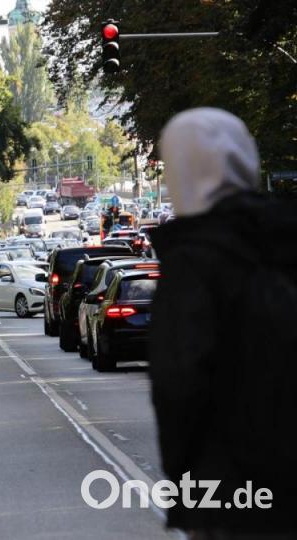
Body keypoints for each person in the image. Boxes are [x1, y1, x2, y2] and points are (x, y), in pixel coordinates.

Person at [149, 108, 297, 537]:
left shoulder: (196, 261)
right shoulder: (284, 234)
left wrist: (185, 489)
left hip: (236, 491)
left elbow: (179, 383)